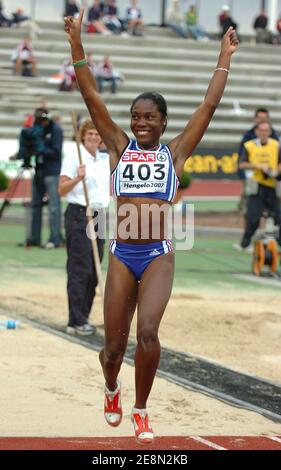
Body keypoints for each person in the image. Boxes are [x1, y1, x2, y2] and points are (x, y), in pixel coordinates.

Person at [64, 8, 238, 444]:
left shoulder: (175, 153)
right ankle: (111, 388)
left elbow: (209, 105)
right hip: (122, 253)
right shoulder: (119, 147)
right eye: (136, 116)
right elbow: (91, 100)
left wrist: (224, 59)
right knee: (112, 349)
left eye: (149, 117)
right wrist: (77, 47)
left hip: (158, 253)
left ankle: (141, 409)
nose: (141, 122)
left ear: (162, 121)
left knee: (147, 334)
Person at [59, 119, 110, 336]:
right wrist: (78, 178)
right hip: (80, 214)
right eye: (90, 134)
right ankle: (75, 320)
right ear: (82, 135)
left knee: (94, 271)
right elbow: (61, 189)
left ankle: (84, 317)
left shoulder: (103, 159)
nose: (93, 138)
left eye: (97, 135)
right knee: (80, 269)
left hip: (98, 215)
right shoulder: (74, 155)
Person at [19, 107, 64, 248]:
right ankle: (34, 238)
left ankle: (55, 238)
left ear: (48, 119)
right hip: (38, 170)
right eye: (38, 120)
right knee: (35, 205)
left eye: (43, 120)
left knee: (53, 207)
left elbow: (56, 152)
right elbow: (31, 144)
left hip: (52, 172)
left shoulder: (56, 130)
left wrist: (41, 149)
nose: (41, 123)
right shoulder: (37, 128)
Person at [237, 121, 281, 250]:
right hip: (256, 186)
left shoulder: (276, 145)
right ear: (257, 131)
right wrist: (258, 166)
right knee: (253, 218)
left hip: (272, 185)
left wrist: (276, 171)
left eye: (266, 130)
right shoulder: (249, 145)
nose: (263, 133)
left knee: (278, 215)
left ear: (270, 132)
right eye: (261, 130)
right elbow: (242, 164)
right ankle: (244, 244)